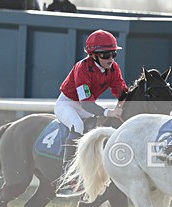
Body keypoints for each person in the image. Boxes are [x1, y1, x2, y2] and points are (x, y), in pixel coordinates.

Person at [55, 30, 128, 165]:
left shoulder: (114, 68)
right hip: (68, 104)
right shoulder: (82, 68)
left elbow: (122, 92)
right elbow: (87, 104)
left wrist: (123, 106)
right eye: (106, 55)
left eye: (113, 54)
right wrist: (109, 112)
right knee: (77, 125)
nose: (110, 59)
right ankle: (68, 167)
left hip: (86, 105)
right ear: (93, 55)